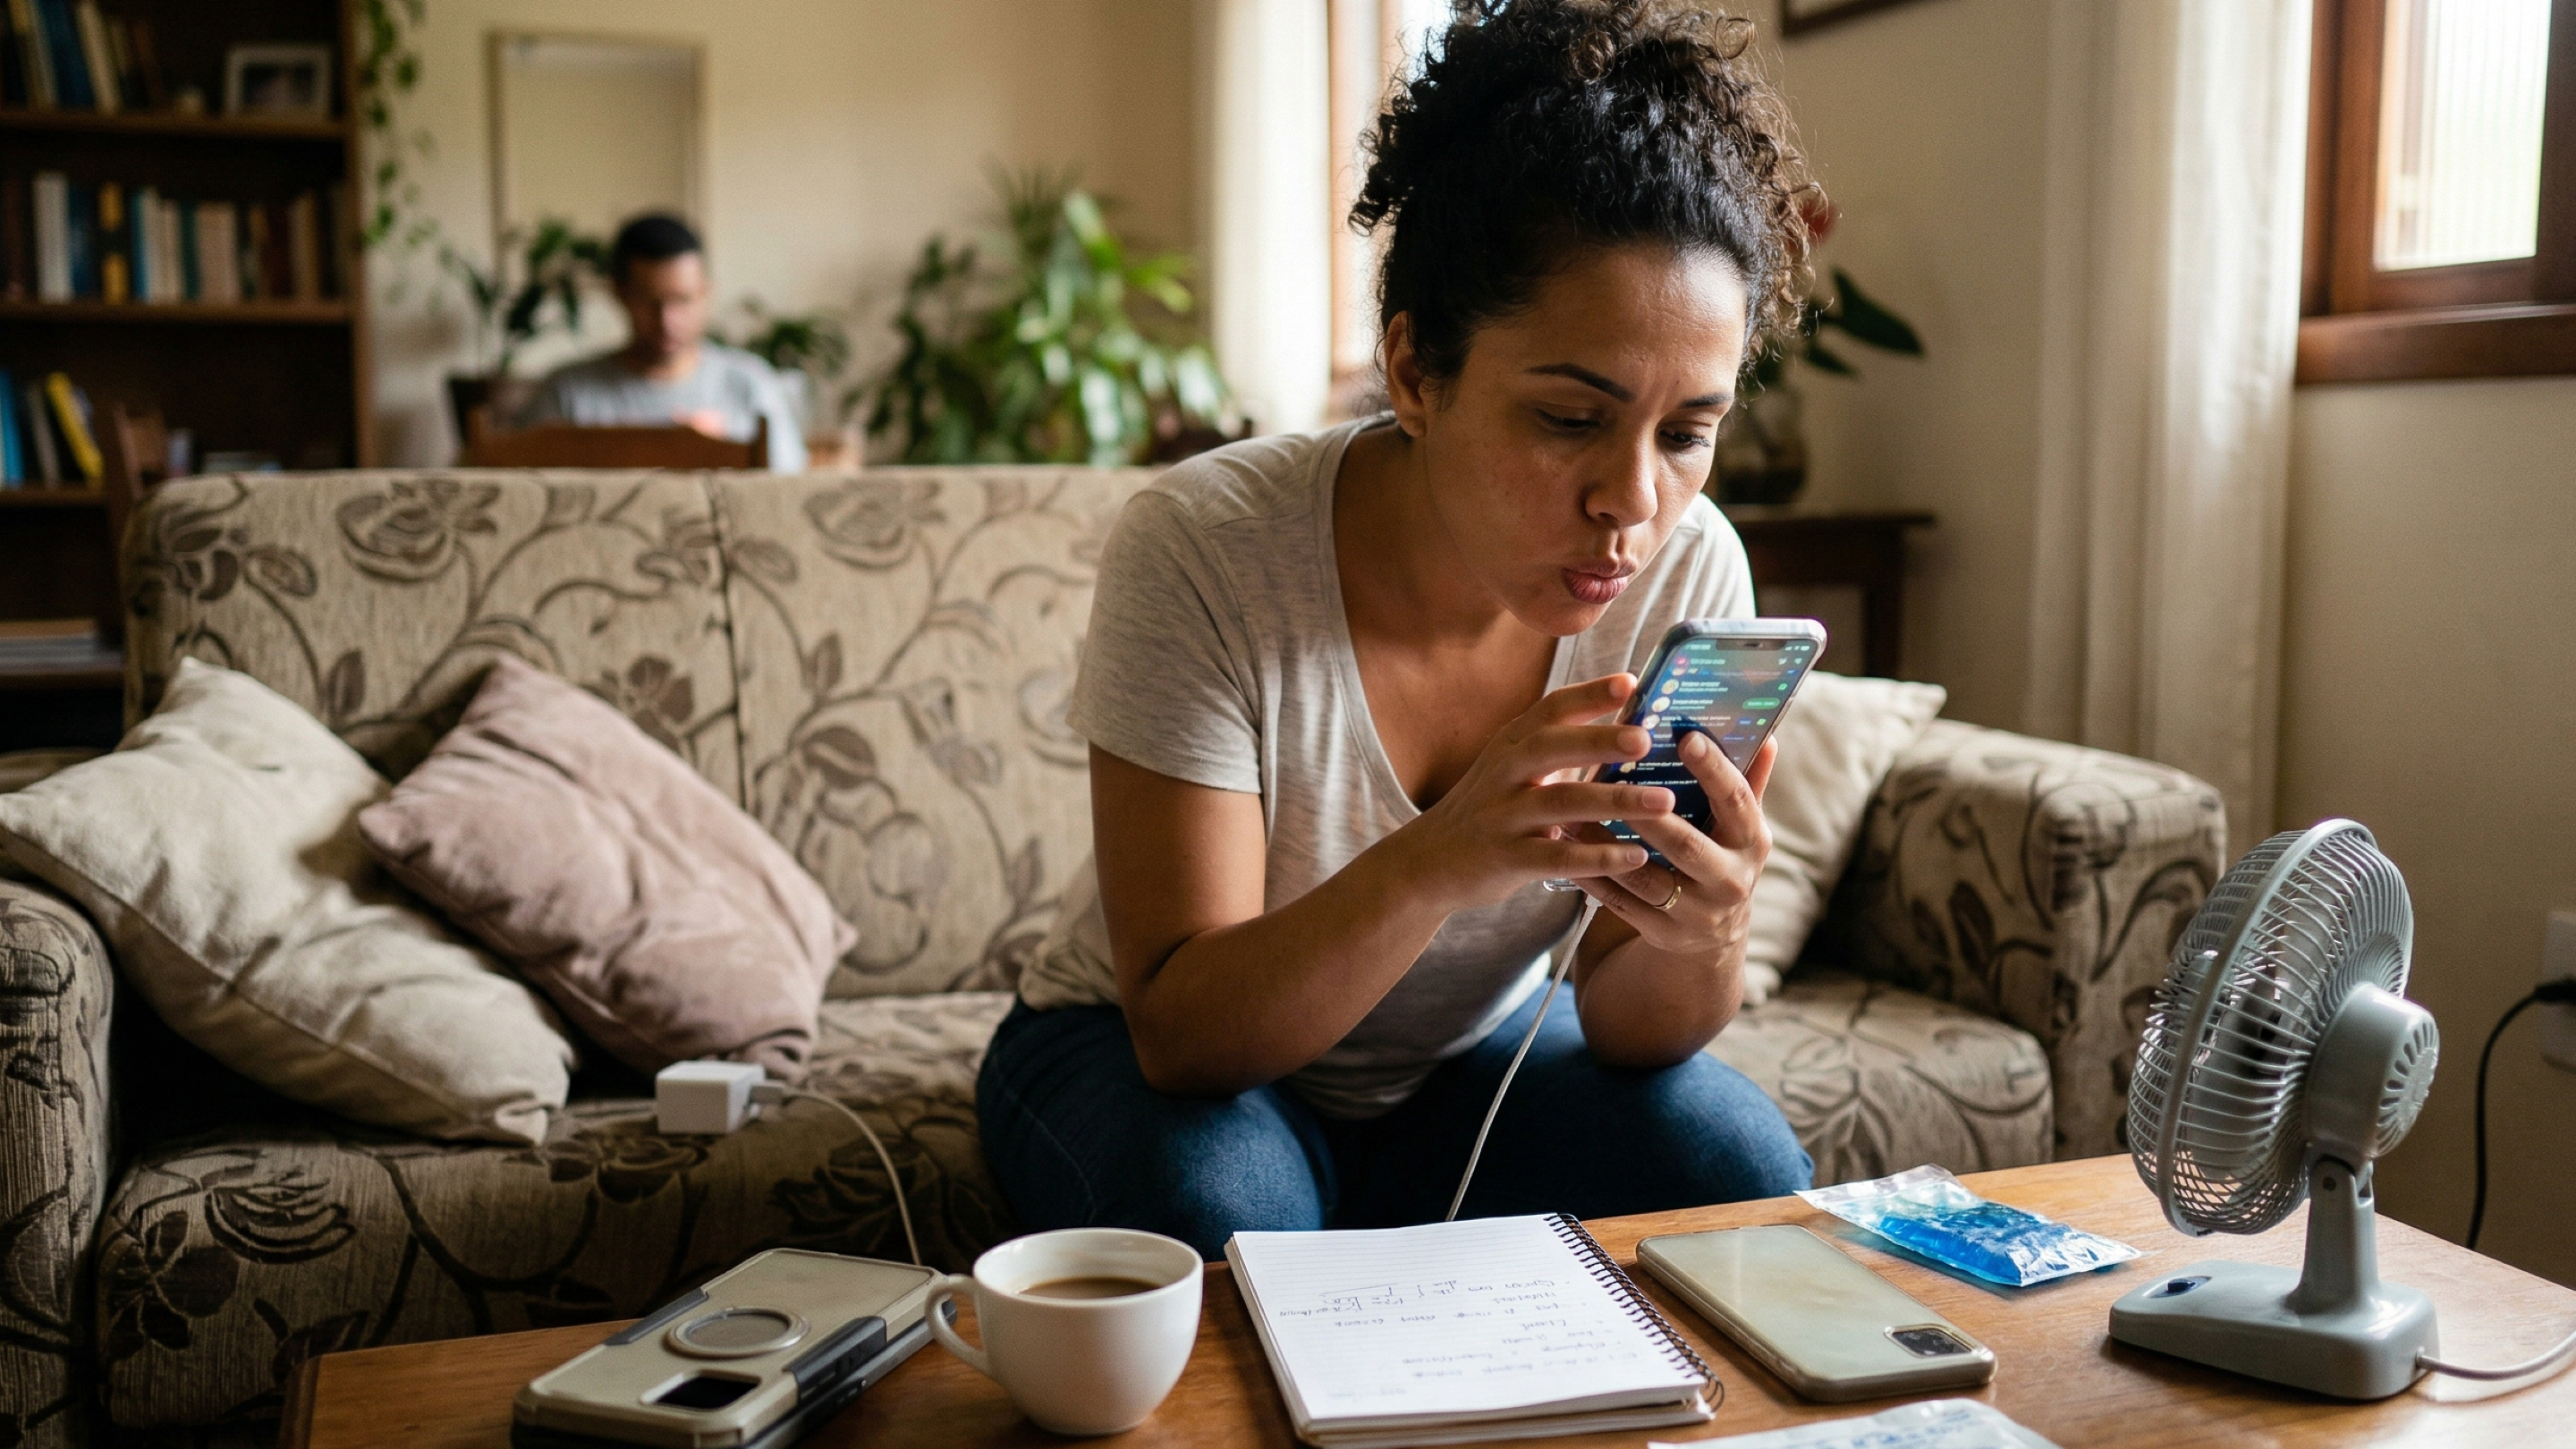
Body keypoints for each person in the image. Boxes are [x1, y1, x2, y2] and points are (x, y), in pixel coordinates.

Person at [979, 0, 1819, 1259]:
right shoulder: (1206, 546)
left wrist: (1706, 929)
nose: (1632, 503)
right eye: (1567, 417)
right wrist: (1444, 854)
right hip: (1159, 1060)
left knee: (1736, 1163)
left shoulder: (1690, 570)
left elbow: (1634, 1028)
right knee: (1224, 1218)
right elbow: (1185, 1032)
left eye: (1687, 432)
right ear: (1417, 372)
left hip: (1459, 1071)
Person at [518, 214, 807, 472]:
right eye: (649, 302)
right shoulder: (568, 394)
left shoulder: (750, 384)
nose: (667, 321)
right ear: (619, 294)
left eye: (682, 300)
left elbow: (785, 495)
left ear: (705, 292)